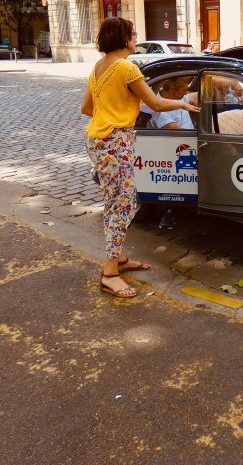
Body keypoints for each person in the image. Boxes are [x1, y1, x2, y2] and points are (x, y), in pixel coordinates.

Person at [80, 17, 200, 299]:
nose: (136, 36)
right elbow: (156, 103)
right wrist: (183, 102)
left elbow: (87, 108)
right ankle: (110, 273)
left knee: (122, 200)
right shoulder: (125, 67)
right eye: (132, 33)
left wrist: (112, 111)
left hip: (98, 140)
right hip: (115, 141)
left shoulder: (99, 67)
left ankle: (119, 258)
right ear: (122, 37)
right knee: (121, 205)